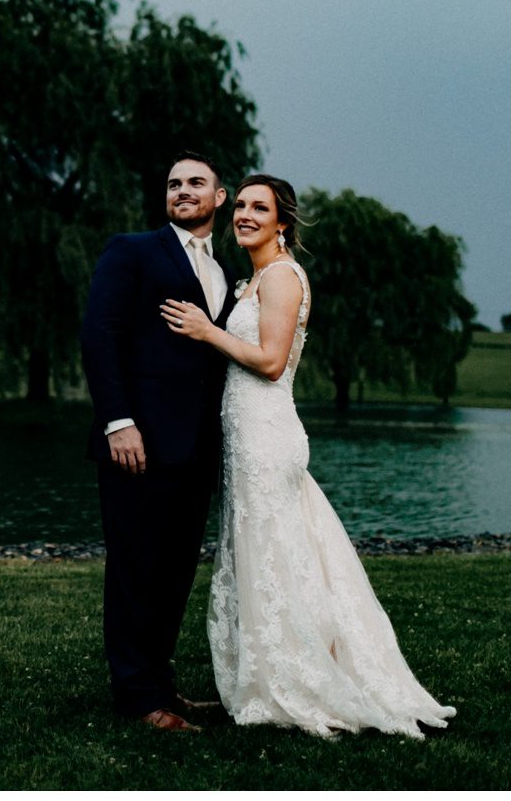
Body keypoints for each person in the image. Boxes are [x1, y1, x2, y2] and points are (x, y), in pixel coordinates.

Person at [159, 174, 456, 738]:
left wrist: (205, 332)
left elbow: (271, 362)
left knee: (278, 548)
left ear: (282, 223)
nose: (244, 215)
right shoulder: (252, 281)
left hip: (268, 435)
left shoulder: (283, 277)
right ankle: (272, 669)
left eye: (258, 208)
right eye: (240, 205)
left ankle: (298, 676)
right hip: (245, 436)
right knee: (269, 548)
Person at [79, 151, 238, 732]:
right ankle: (137, 699)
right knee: (134, 570)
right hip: (137, 443)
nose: (183, 191)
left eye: (197, 182)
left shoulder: (223, 273)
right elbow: (101, 335)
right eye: (174, 184)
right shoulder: (133, 251)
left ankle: (163, 688)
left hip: (195, 451)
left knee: (173, 573)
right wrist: (118, 421)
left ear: (220, 197)